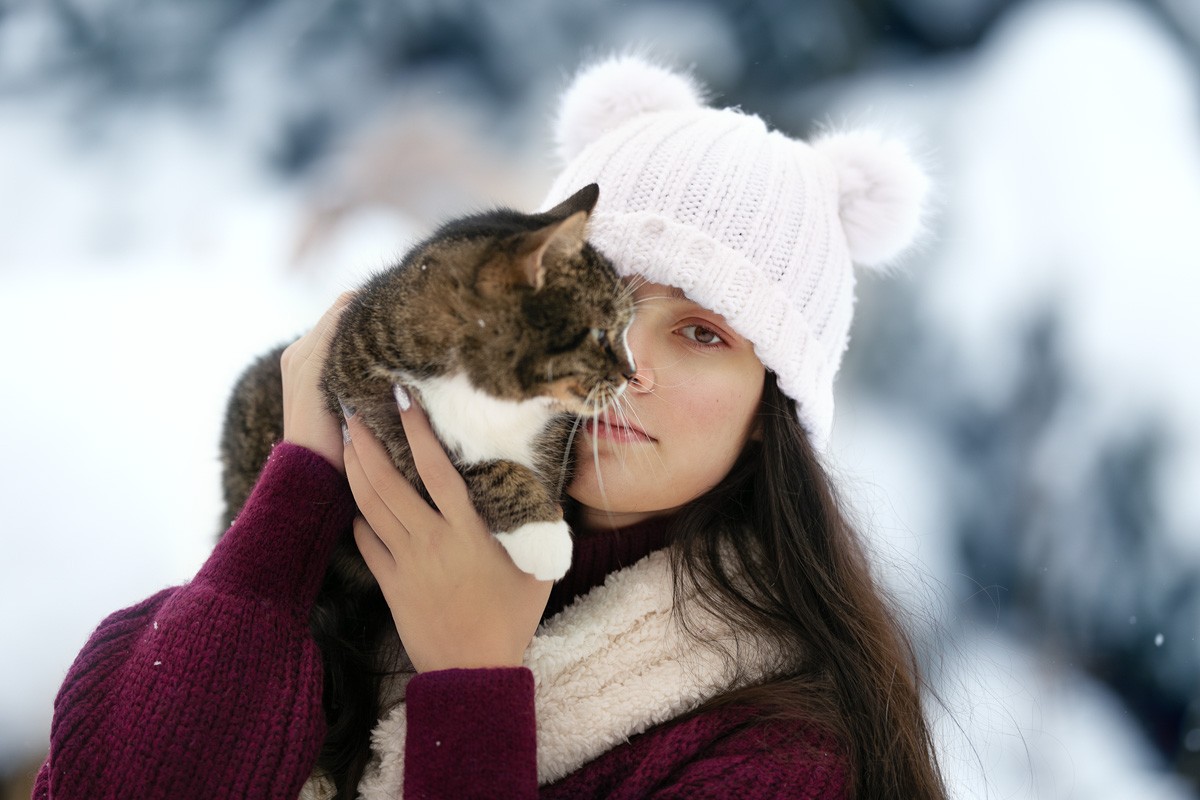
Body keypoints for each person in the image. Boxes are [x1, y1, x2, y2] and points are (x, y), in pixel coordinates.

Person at [34, 56, 943, 799]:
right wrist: (292, 504)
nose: (630, 369)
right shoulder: (378, 532)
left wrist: (470, 688)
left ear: (766, 417)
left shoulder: (779, 755)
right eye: (604, 308)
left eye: (703, 333)